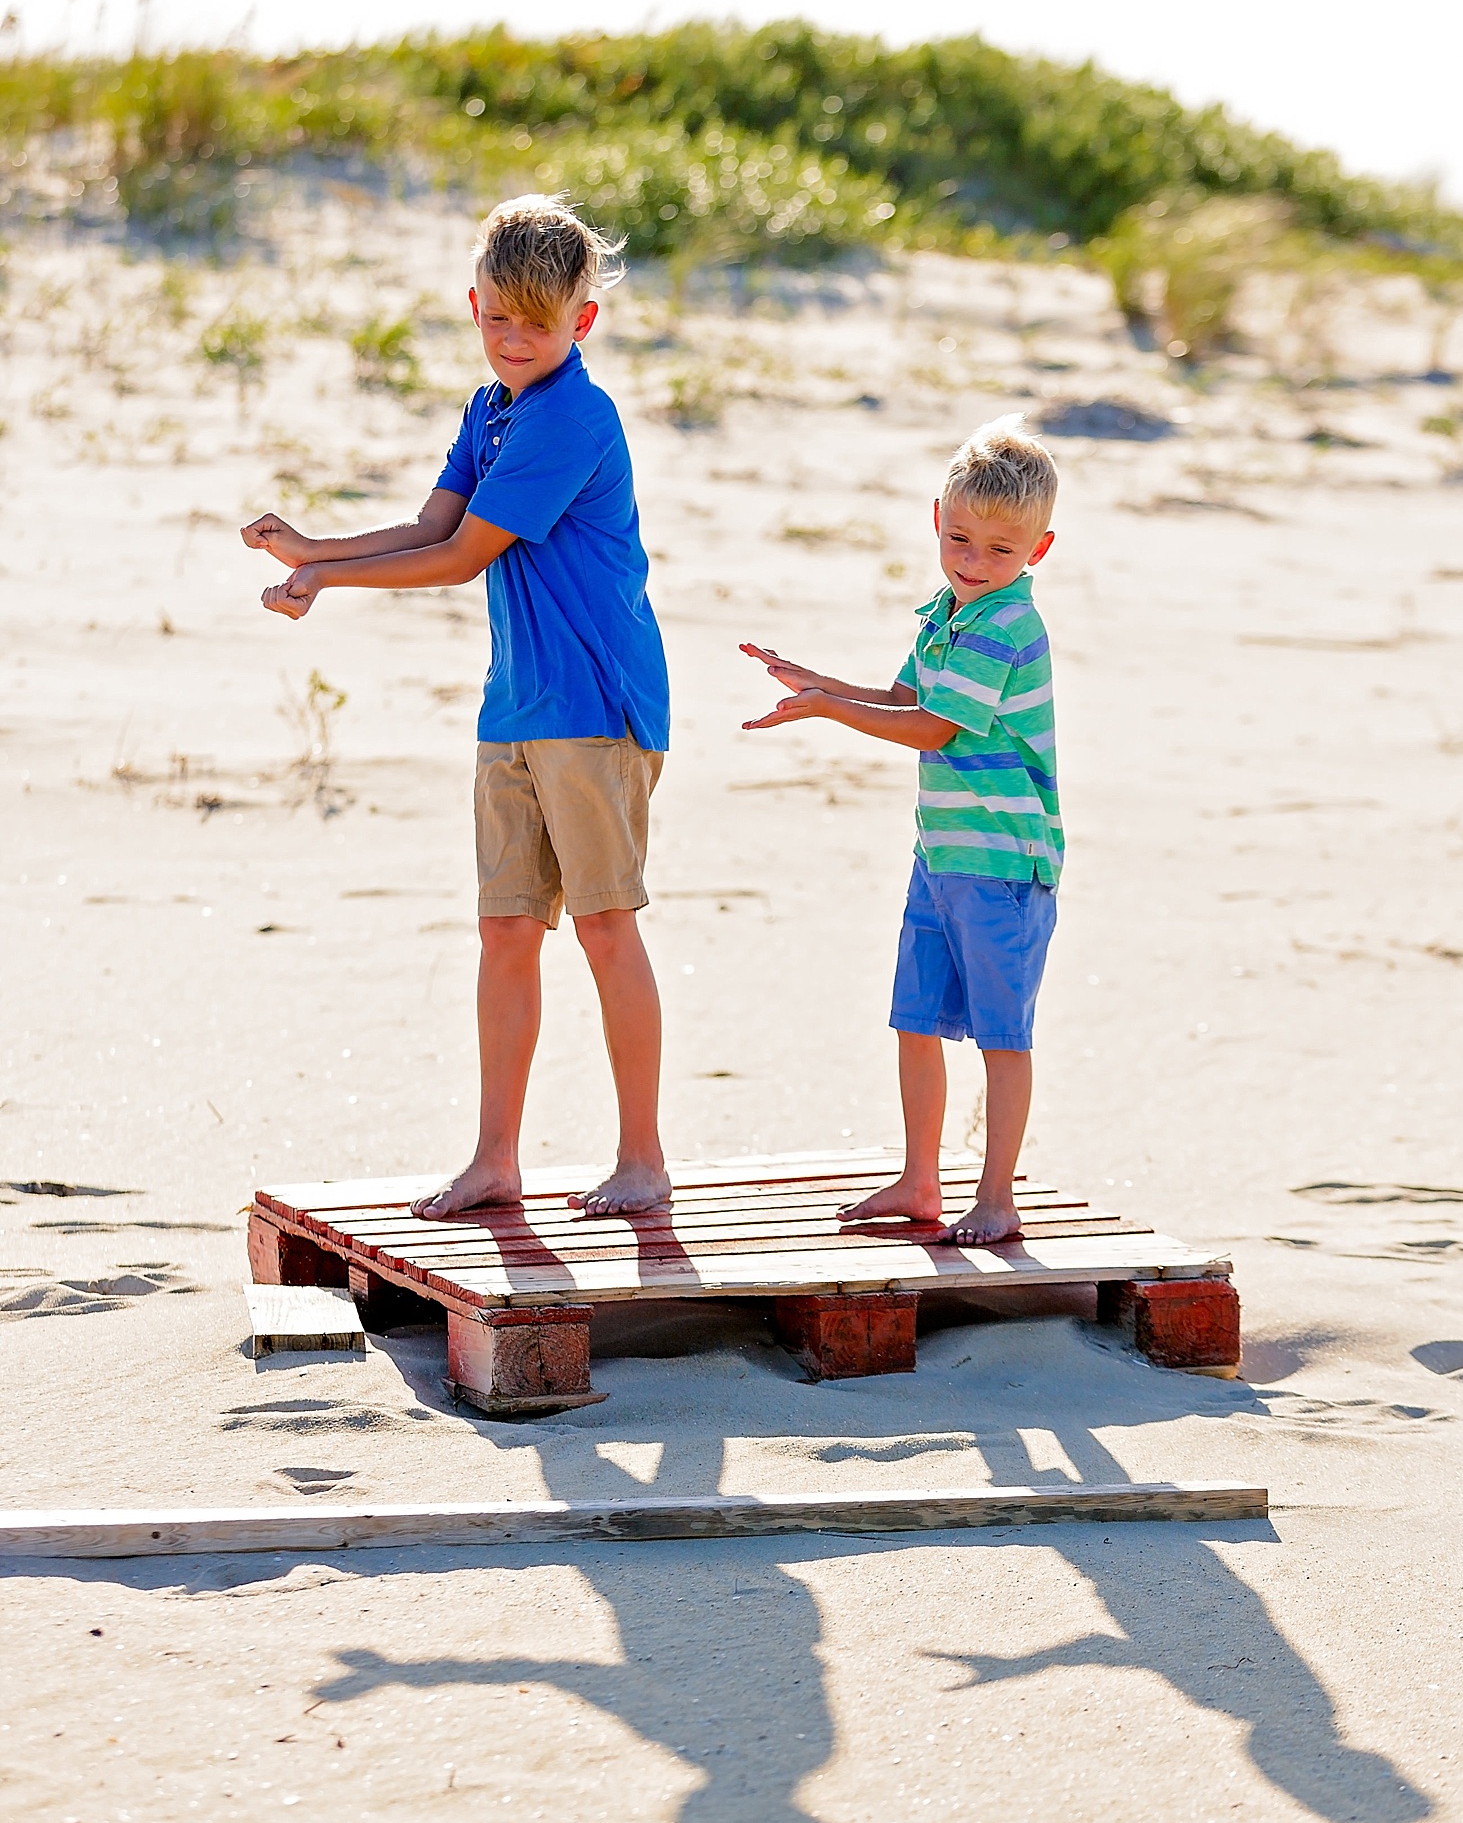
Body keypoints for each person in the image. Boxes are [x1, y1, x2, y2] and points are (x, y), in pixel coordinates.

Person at [244, 194, 672, 1221]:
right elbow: (432, 519)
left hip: (594, 706)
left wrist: (330, 583)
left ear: (583, 322)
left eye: (539, 322)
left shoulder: (574, 414)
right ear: (472, 305)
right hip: (517, 706)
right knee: (505, 930)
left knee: (605, 927)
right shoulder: (492, 411)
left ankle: (644, 1158)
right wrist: (315, 551)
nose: (515, 340)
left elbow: (458, 559)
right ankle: (495, 1159)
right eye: (497, 319)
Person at [741, 419, 1062, 1244]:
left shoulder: (1005, 624)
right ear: (936, 521)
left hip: (1001, 864)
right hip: (942, 855)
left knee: (1001, 1034)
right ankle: (921, 1179)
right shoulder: (947, 611)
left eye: (999, 549)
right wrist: (817, 681)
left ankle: (996, 1195)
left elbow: (934, 731)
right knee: (916, 1019)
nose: (973, 560)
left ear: (1039, 549)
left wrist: (826, 712)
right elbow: (899, 697)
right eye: (959, 538)